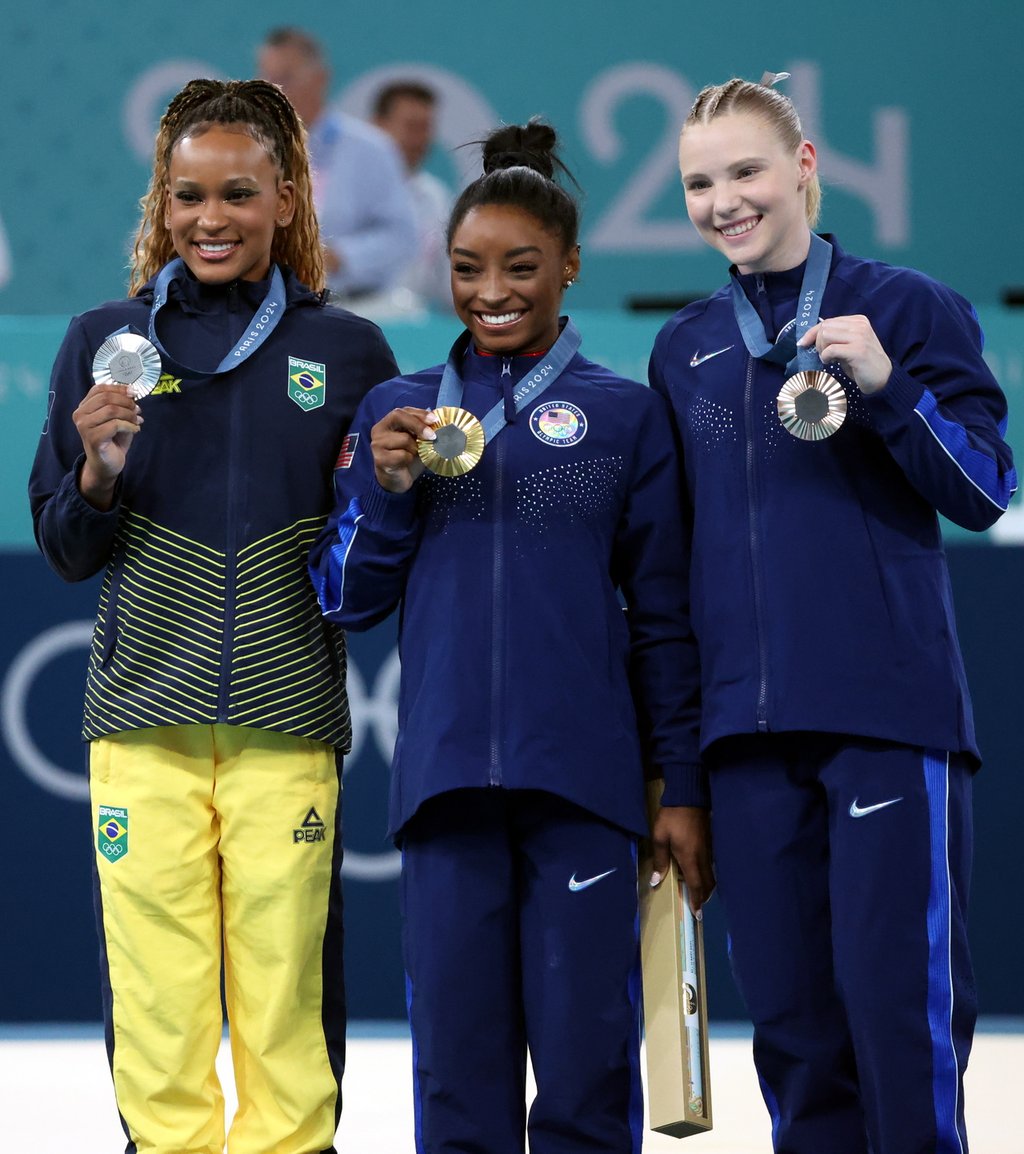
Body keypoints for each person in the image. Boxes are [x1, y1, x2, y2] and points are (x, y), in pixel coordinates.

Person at [309, 120, 714, 1153]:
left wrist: (678, 784)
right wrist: (389, 492)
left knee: (586, 1071)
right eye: (465, 268)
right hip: (444, 786)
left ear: (569, 265)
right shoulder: (398, 408)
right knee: (456, 1079)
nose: (491, 289)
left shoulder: (623, 416)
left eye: (521, 266)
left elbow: (663, 617)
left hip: (582, 789)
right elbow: (347, 596)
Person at [28, 78, 400, 1154]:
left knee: (285, 997)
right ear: (162, 199)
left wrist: (392, 495)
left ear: (285, 197)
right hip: (141, 723)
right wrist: (97, 471)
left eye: (236, 192)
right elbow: (63, 547)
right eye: (186, 194)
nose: (209, 218)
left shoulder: (347, 352)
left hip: (287, 724)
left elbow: (360, 573)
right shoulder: (104, 340)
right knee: (158, 999)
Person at [649, 71, 1017, 1154]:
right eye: (698, 182)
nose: (725, 199)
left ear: (804, 168)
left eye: (746, 170)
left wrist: (890, 386)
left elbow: (984, 488)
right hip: (747, 742)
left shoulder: (907, 306)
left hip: (884, 723)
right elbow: (665, 576)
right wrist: (684, 764)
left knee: (899, 1019)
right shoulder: (686, 348)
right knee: (798, 1040)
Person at [257, 26, 417, 303]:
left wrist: (340, 256)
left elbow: (401, 236)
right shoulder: (250, 150)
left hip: (354, 305)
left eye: (284, 78)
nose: (272, 91)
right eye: (266, 79)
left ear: (320, 79)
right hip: (267, 306)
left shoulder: (370, 149)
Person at [372, 80, 455, 312]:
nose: (419, 139)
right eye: (410, 126)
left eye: (426, 127)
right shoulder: (342, 193)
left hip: (410, 327)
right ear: (377, 125)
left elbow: (449, 283)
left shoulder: (436, 197)